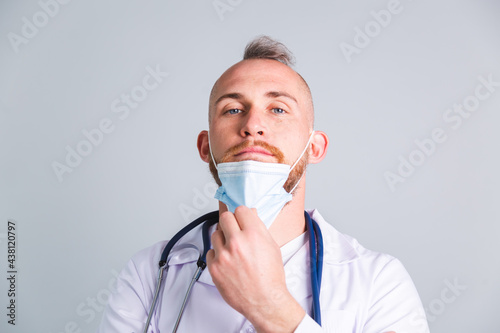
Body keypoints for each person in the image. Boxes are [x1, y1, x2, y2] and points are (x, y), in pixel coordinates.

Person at [97, 36, 430, 333]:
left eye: (278, 109)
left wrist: (270, 307)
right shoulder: (150, 274)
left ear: (315, 147)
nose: (253, 125)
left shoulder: (378, 282)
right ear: (204, 147)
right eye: (233, 109)